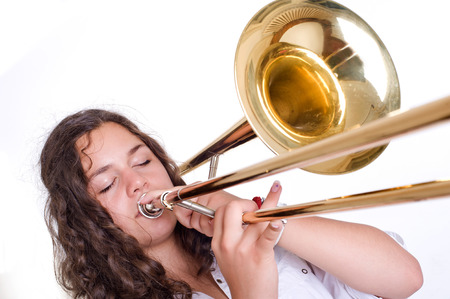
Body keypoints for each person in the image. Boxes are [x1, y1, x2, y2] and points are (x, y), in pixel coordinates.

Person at [40, 108, 423, 299]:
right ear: (83, 222)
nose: (139, 181)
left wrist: (266, 219)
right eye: (107, 184)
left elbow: (406, 277)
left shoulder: (251, 243)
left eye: (143, 161)